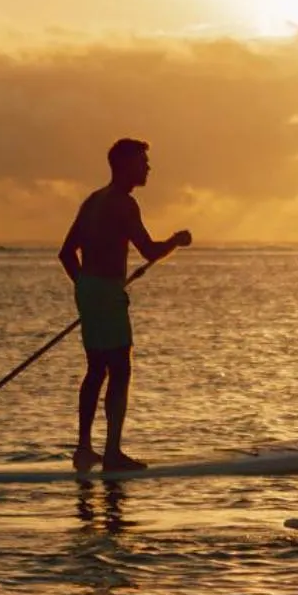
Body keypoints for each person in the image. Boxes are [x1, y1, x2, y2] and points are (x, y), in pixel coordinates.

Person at [58, 138, 190, 472]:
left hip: (90, 290)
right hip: (102, 292)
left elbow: (66, 254)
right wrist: (176, 240)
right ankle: (113, 454)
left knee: (95, 369)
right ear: (124, 165)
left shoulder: (93, 200)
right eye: (142, 161)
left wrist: (86, 290)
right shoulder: (123, 203)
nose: (148, 167)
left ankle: (84, 450)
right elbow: (149, 251)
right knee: (119, 369)